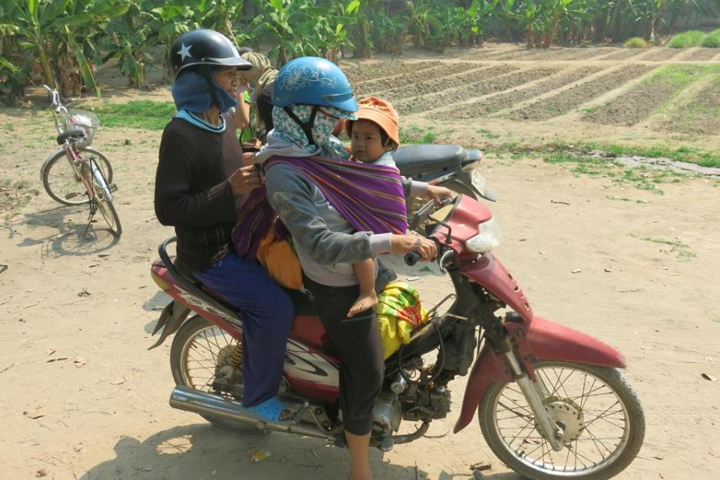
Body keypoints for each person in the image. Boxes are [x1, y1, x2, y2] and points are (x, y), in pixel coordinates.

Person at [235, 57, 439, 480]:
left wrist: (421, 189)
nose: (335, 128)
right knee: (366, 370)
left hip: (364, 262)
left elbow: (361, 176)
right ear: (300, 115)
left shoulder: (316, 147)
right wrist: (392, 241)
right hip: (335, 282)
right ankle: (358, 469)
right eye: (328, 117)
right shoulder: (286, 171)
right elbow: (320, 244)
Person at [154, 29, 293, 421]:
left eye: (238, 75)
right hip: (211, 256)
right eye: (228, 75)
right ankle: (260, 398)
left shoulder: (224, 117)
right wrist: (227, 189)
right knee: (274, 306)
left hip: (241, 237)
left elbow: (229, 157)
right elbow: (169, 208)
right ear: (200, 78)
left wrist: (260, 155)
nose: (238, 83)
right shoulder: (179, 135)